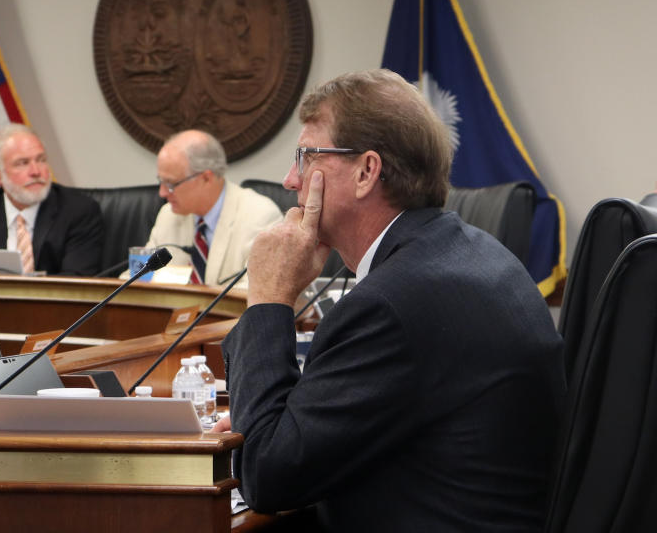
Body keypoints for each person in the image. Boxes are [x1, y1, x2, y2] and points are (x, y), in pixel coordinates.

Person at [216, 70, 565, 531]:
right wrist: (264, 424)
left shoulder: (391, 304)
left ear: (366, 172)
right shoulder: (472, 253)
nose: (289, 180)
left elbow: (270, 476)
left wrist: (268, 298)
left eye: (305, 157)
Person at [0, 123, 104, 275]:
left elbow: (77, 283)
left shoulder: (78, 210)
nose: (36, 171)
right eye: (22, 163)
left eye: (41, 160)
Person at [144, 129, 282, 285]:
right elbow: (140, 276)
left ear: (206, 178)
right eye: (160, 181)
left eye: (170, 184)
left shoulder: (261, 217)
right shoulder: (168, 215)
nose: (162, 193)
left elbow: (260, 292)